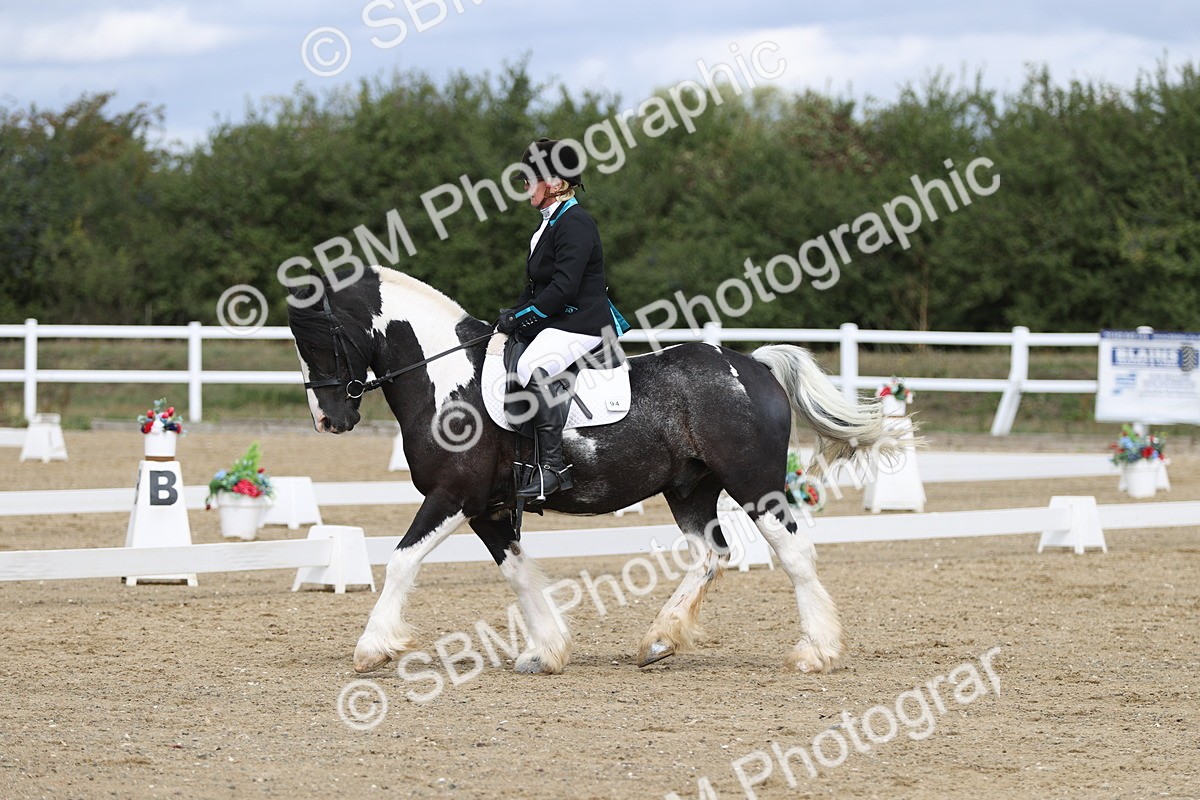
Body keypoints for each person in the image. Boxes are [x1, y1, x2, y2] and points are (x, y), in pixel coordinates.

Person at [496, 138, 627, 499]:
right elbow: (537, 284)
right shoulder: (547, 225)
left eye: (530, 178)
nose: (525, 185)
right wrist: (512, 315)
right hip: (560, 320)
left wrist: (525, 317)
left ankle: (554, 468)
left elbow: (565, 288)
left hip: (583, 323)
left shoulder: (576, 223)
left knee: (531, 366)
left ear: (554, 182)